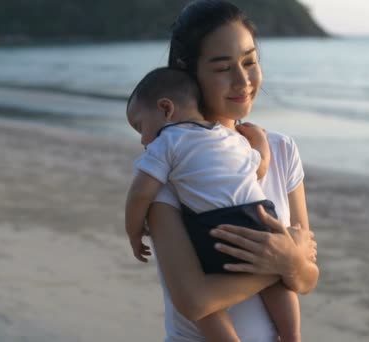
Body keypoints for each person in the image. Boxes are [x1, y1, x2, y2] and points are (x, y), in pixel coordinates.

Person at [129, 1, 319, 341]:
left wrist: (294, 264)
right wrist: (283, 263)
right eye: (222, 68)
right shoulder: (171, 166)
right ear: (189, 72)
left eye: (249, 61)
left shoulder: (281, 150)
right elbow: (195, 300)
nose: (242, 80)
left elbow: (306, 278)